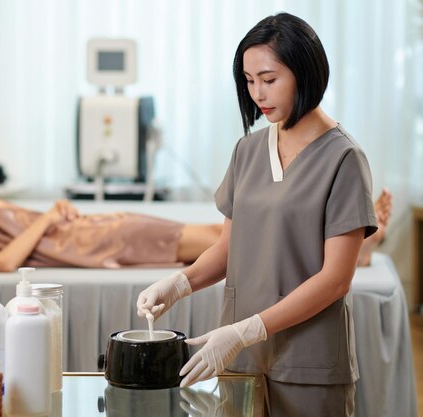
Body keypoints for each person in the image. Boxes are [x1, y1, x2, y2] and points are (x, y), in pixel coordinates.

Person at [136, 13, 378, 417]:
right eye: (249, 81)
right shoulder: (247, 152)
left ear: (304, 72)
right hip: (241, 362)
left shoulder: (343, 158)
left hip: (308, 363)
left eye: (268, 79)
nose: (257, 94)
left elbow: (336, 279)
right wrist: (179, 283)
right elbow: (229, 247)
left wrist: (245, 330)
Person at [0, 196, 222, 271]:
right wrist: (46, 218)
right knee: (217, 238)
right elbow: (3, 262)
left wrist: (55, 213)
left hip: (88, 227)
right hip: (91, 241)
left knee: (217, 232)